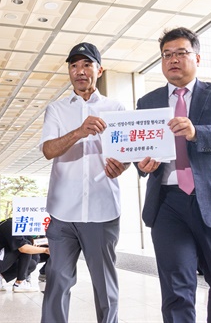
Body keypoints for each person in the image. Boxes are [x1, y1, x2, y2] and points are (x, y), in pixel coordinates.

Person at [135, 27, 211, 323]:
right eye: (167, 54)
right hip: (167, 204)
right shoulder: (147, 103)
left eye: (181, 52)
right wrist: (142, 164)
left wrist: (195, 132)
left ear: (197, 57)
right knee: (176, 289)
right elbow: (139, 149)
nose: (173, 59)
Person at [39, 42, 128, 323]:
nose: (80, 71)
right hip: (63, 213)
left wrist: (122, 166)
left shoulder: (116, 108)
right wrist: (79, 131)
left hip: (102, 211)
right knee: (57, 283)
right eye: (74, 65)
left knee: (106, 290)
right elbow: (48, 150)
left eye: (86, 64)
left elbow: (126, 153)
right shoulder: (56, 109)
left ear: (99, 70)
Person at [0, 218, 49, 292]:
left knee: (32, 263)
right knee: (26, 246)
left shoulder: (18, 225)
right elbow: (23, 248)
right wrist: (45, 250)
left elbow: (29, 243)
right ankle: (19, 283)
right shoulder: (11, 225)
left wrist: (43, 242)